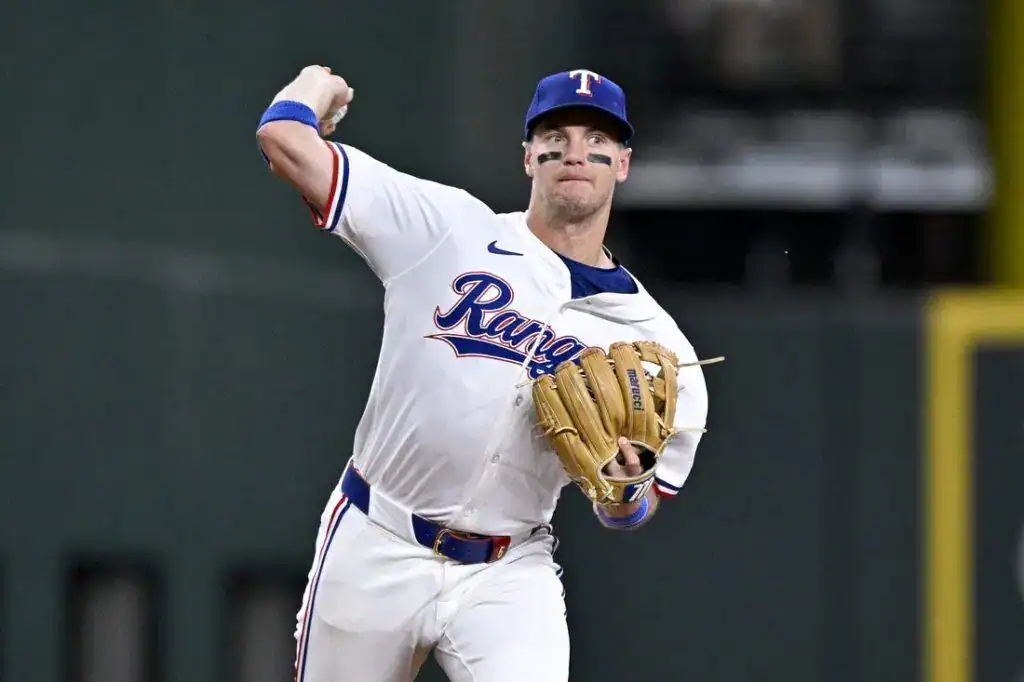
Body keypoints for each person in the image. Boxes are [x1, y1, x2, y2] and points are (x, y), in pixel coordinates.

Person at [256, 65, 711, 682]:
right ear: (529, 157)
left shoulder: (656, 344)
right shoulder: (447, 228)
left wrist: (624, 484)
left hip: (507, 570)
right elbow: (284, 139)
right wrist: (315, 85)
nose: (576, 151)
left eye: (598, 139)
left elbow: (631, 511)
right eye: (557, 135)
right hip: (375, 540)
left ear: (623, 163)